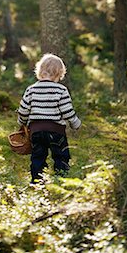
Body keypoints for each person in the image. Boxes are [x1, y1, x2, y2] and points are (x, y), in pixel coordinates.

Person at [17, 53, 81, 182]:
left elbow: (23, 110)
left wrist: (21, 123)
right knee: (61, 156)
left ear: (40, 70)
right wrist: (76, 123)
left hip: (36, 131)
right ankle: (61, 181)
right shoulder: (61, 90)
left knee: (38, 157)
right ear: (60, 73)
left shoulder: (31, 89)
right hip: (56, 131)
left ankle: (37, 181)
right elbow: (67, 111)